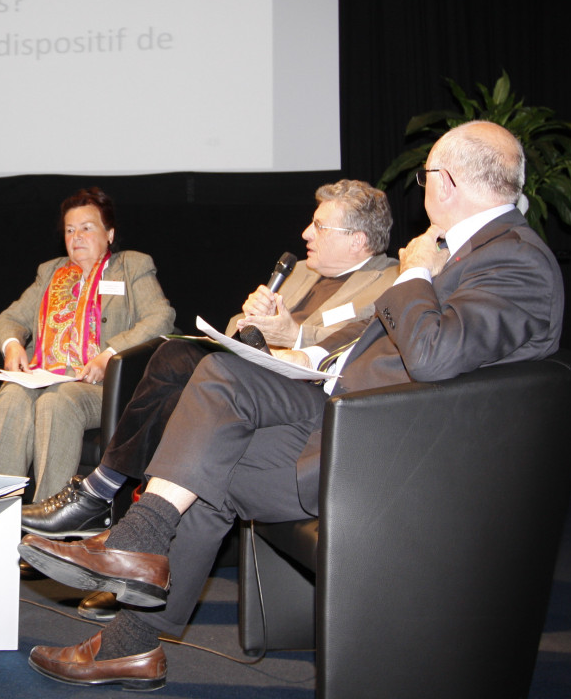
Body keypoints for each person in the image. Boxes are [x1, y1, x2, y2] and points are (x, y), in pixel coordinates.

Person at [18, 122, 565, 691]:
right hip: (358, 413)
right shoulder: (478, 250)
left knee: (213, 434)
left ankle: (135, 551)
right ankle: (132, 622)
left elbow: (430, 355)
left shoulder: (514, 260)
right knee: (214, 397)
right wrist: (317, 360)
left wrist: (415, 272)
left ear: (445, 182)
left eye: (427, 176)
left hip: (390, 453)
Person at [20, 180, 398, 618]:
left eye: (319, 226)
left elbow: (353, 344)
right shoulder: (304, 271)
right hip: (252, 378)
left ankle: (107, 511)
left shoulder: (387, 283)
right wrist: (252, 322)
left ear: (358, 241)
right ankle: (122, 530)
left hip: (304, 404)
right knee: (175, 353)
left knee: (192, 383)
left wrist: (290, 332)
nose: (305, 235)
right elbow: (241, 322)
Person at [0, 188, 175, 573]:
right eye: (70, 231)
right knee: (9, 398)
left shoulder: (132, 266)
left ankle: (41, 536)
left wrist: (110, 354)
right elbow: (8, 318)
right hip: (46, 378)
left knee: (57, 401)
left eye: (87, 229)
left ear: (109, 233)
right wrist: (11, 345)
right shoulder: (51, 272)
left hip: (101, 389)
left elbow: (160, 319)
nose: (76, 239)